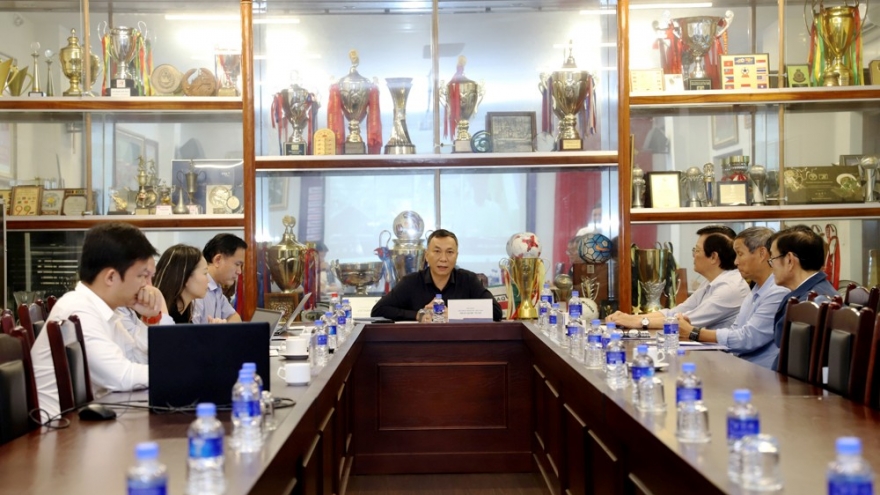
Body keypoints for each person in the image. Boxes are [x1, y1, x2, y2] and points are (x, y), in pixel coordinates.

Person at [31, 222, 159, 419]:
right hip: (57, 429)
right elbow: (122, 377)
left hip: (84, 419)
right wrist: (183, 374)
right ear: (111, 277)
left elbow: (136, 360)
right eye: (142, 276)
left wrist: (149, 319)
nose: (147, 285)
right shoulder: (78, 310)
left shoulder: (104, 310)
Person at [674, 227, 790, 369]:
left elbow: (747, 339)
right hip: (740, 365)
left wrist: (694, 332)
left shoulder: (778, 291)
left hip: (760, 374)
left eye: (740, 254)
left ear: (762, 254)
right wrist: (693, 332)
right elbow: (735, 331)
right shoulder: (755, 291)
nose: (736, 262)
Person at [607, 225, 749, 330]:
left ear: (713, 257)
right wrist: (630, 318)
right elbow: (676, 312)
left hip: (725, 357)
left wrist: (639, 322)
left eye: (697, 250)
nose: (694, 255)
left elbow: (685, 321)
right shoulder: (712, 281)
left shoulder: (730, 288)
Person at [371, 229, 502, 322]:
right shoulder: (411, 282)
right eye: (437, 251)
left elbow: (496, 311)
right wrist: (418, 315)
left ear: (456, 256)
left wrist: (455, 313)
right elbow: (378, 310)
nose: (443, 259)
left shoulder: (468, 280)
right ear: (427, 255)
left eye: (449, 252)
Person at [768, 225, 837, 370]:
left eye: (772, 258)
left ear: (789, 260)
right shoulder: (819, 291)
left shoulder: (810, 303)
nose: (771, 266)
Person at [115, 255, 174, 361]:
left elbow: (141, 357)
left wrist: (151, 318)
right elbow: (166, 348)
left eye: (152, 277)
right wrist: (159, 297)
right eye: (143, 276)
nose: (149, 285)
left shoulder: (128, 309)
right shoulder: (116, 311)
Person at [191, 233, 247, 323]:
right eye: (237, 264)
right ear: (218, 260)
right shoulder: (196, 290)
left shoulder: (216, 289)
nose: (239, 271)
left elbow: (234, 318)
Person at [153, 244, 211, 324]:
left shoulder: (185, 314)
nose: (208, 280)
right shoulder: (162, 317)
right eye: (205, 273)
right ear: (185, 277)